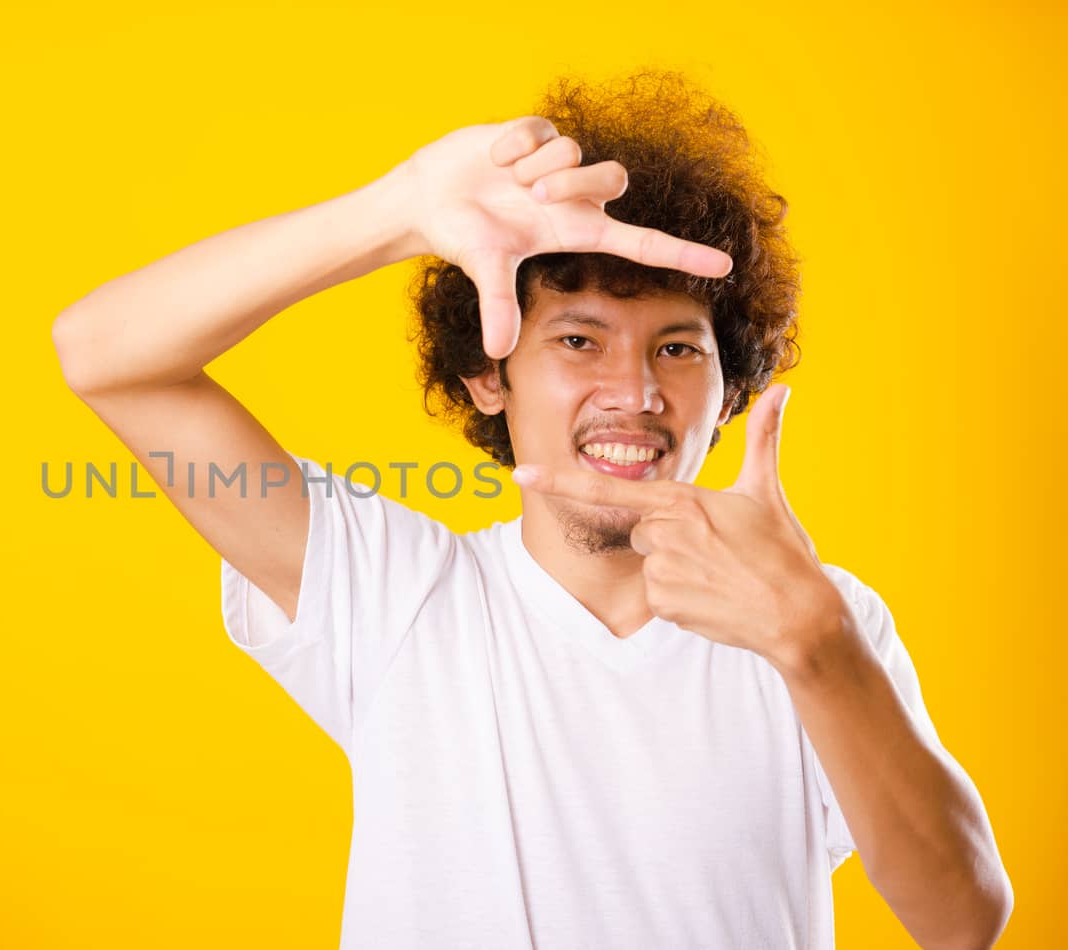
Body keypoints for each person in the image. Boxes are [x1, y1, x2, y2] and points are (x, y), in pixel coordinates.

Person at [51, 69, 1011, 950]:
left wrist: (817, 642)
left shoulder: (825, 622)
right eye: (581, 340)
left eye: (677, 348)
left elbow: (964, 921)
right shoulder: (390, 595)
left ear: (730, 390)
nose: (634, 390)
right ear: (487, 375)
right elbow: (104, 355)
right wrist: (398, 214)